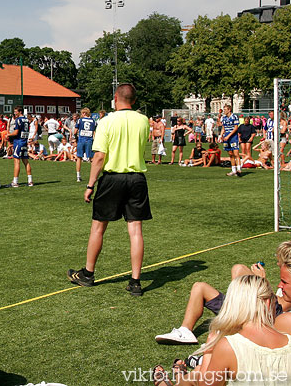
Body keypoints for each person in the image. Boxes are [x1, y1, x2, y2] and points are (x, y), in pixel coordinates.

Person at [67, 84, 151, 296]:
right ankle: (135, 281)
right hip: (137, 178)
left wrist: (89, 185)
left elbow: (100, 157)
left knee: (98, 227)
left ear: (116, 98)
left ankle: (87, 274)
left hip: (113, 178)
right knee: (135, 230)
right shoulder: (143, 120)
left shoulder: (106, 121)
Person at [153, 275, 291, 386]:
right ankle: (181, 380)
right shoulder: (288, 340)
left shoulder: (230, 346)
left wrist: (208, 350)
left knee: (201, 371)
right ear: (267, 303)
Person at [155, 240, 291, 346]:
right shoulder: (285, 280)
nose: (277, 261)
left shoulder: (287, 291)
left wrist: (262, 281)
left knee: (238, 271)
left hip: (262, 312)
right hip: (244, 307)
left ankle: (234, 325)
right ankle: (185, 330)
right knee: (200, 286)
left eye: (279, 259)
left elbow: (274, 311)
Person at [8, 106, 33, 187]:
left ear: (20, 112)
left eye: (16, 111)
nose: (15, 113)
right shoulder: (26, 120)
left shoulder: (18, 120)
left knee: (16, 161)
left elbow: (16, 132)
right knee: (26, 161)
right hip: (24, 141)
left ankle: (15, 182)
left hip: (19, 142)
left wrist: (8, 135)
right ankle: (30, 181)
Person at [73, 107, 97, 182]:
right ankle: (94, 176)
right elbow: (94, 132)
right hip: (89, 140)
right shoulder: (93, 121)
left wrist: (75, 138)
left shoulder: (80, 120)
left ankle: (78, 176)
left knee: (79, 157)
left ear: (84, 113)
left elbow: (75, 131)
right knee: (91, 159)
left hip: (81, 140)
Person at [219, 104, 241, 177]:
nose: (224, 111)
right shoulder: (224, 118)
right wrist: (221, 135)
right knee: (230, 154)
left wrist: (228, 136)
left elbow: (235, 128)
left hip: (233, 137)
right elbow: (223, 128)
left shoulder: (234, 117)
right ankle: (233, 170)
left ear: (229, 110)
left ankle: (239, 169)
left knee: (236, 153)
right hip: (226, 137)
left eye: (225, 109)